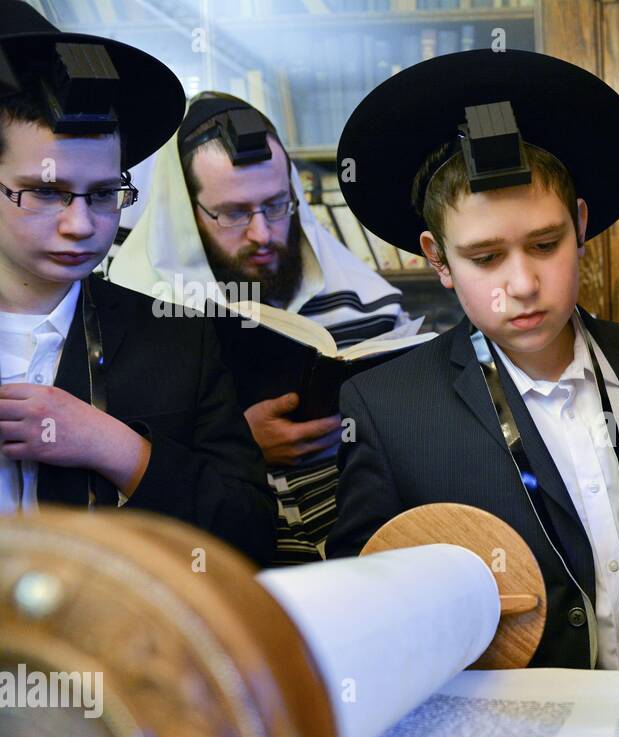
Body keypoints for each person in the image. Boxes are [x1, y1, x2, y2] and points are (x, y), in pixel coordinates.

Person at [327, 50, 619, 668]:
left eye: (545, 244)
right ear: (438, 260)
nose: (523, 284)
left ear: (580, 225)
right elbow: (363, 602)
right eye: (485, 258)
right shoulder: (386, 409)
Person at [0, 0, 275, 563]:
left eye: (103, 195)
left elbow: (251, 537)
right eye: (47, 192)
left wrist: (115, 447)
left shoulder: (177, 340)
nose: (80, 225)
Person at [110, 93, 414, 564]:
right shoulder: (139, 313)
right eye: (233, 212)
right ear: (186, 214)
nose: (262, 234)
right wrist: (239, 446)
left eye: (276, 205)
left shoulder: (365, 301)